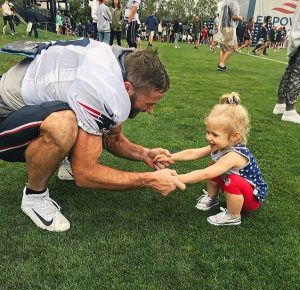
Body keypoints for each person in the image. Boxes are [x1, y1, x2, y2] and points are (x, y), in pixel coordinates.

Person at [0, 40, 185, 232]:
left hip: (25, 97)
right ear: (128, 88)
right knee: (64, 124)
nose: (150, 110)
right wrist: (148, 179)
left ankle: (64, 163)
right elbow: (85, 174)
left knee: (75, 118)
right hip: (5, 115)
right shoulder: (104, 88)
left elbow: (111, 138)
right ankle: (34, 196)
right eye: (148, 103)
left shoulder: (121, 66)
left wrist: (144, 154)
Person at [155, 92, 267, 226]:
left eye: (215, 134)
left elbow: (205, 174)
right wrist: (171, 156)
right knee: (212, 165)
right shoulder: (220, 146)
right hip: (241, 191)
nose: (208, 137)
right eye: (208, 131)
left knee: (231, 180)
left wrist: (176, 179)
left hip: (251, 199)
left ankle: (233, 215)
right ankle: (212, 197)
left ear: (235, 137)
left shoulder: (234, 155)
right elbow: (194, 153)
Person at [273, 0, 300, 124]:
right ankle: (289, 110)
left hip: (296, 35)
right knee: (296, 72)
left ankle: (281, 104)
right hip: (297, 34)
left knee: (291, 70)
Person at [217, 0, 243, 71]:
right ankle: (222, 64)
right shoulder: (233, 3)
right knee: (231, 48)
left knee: (223, 47)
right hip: (229, 28)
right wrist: (240, 18)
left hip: (223, 27)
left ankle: (220, 64)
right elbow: (233, 16)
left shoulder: (225, 4)